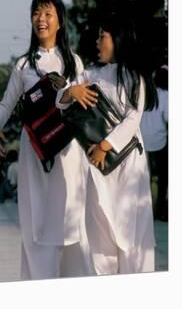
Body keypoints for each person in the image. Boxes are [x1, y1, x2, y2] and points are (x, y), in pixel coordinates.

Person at [0, 0, 89, 279]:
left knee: (69, 217)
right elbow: (8, 102)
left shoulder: (74, 63)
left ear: (60, 21)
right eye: (36, 13)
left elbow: (83, 106)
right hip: (34, 150)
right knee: (37, 218)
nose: (41, 19)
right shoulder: (23, 64)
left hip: (67, 151)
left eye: (48, 14)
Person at [57, 14, 158, 274]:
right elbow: (60, 102)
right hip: (98, 168)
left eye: (103, 36)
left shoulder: (134, 77)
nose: (98, 41)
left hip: (126, 165)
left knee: (131, 233)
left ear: (118, 39)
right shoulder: (91, 74)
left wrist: (104, 146)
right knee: (100, 232)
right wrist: (71, 92)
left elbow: (132, 119)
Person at [140, 66, 168, 221]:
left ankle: (145, 210)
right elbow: (168, 119)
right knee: (162, 178)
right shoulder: (166, 96)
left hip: (142, 140)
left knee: (145, 177)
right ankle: (159, 211)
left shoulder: (146, 93)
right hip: (159, 142)